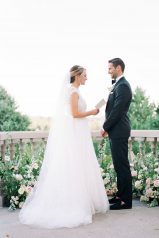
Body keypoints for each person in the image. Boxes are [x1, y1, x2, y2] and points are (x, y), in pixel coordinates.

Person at [19, 65, 109, 229]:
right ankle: (73, 205)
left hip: (79, 132)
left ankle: (83, 201)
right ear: (78, 76)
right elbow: (74, 114)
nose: (87, 78)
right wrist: (92, 112)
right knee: (73, 165)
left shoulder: (75, 90)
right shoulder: (73, 91)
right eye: (85, 75)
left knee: (80, 165)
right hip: (76, 132)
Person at [101, 58, 132, 210]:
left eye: (110, 68)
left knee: (122, 165)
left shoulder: (123, 86)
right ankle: (120, 196)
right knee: (119, 166)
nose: (108, 71)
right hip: (116, 131)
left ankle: (125, 201)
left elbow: (118, 110)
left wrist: (105, 127)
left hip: (119, 130)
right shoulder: (118, 85)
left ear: (118, 68)